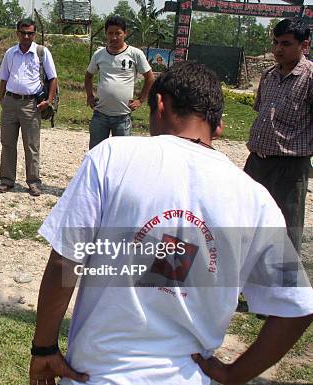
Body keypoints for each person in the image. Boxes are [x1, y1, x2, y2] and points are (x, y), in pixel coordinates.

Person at [30, 62, 313, 385]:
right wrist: (236, 374)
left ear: (160, 104)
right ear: (218, 126)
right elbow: (298, 306)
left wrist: (44, 349)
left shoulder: (111, 158)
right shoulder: (254, 198)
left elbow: (63, 261)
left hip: (99, 374)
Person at [244, 18, 312, 254]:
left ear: (305, 45)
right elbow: (261, 112)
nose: (277, 49)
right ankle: (245, 274)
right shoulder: (269, 74)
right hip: (257, 161)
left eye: (285, 43)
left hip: (290, 167)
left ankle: (284, 284)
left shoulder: (310, 78)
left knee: (287, 226)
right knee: (246, 218)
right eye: (275, 42)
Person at [0, 18, 58, 197]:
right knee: (7, 142)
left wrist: (49, 100)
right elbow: (4, 77)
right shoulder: (10, 53)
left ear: (34, 34)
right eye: (23, 33)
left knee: (31, 145)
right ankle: (7, 181)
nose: (26, 36)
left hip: (32, 104)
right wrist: (2, 98)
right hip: (10, 102)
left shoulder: (42, 52)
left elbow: (53, 77)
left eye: (30, 33)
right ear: (17, 33)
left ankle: (33, 182)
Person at [84, 16, 154, 149]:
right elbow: (88, 76)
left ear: (125, 34)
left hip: (122, 117)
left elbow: (149, 77)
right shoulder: (99, 54)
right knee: (96, 153)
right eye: (110, 33)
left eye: (118, 33)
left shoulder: (135, 54)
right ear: (106, 34)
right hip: (100, 115)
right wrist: (90, 96)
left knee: (121, 155)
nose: (114, 37)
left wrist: (141, 100)